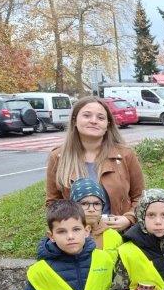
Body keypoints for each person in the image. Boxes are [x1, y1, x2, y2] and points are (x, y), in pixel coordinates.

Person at [46, 96, 144, 232]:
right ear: (74, 120)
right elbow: (53, 203)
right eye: (87, 115)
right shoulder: (58, 157)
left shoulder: (125, 155)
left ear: (108, 124)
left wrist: (128, 218)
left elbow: (140, 197)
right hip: (77, 238)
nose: (93, 121)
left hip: (119, 234)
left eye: (100, 118)